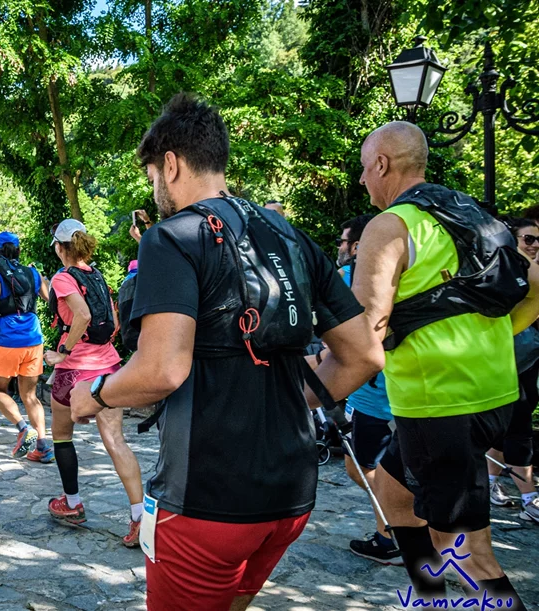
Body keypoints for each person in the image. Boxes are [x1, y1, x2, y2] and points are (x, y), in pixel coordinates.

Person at [69, 93, 383, 610]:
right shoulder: (292, 237)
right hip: (291, 494)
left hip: (205, 500)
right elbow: (364, 355)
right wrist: (290, 400)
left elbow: (162, 369)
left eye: (152, 175)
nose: (155, 187)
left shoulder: (171, 237)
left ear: (171, 165)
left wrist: (96, 393)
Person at [353, 121, 539, 603]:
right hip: (493, 392)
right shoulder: (471, 214)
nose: (362, 179)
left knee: (469, 552)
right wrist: (493, 338)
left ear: (381, 164)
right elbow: (531, 285)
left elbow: (366, 330)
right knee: (393, 494)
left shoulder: (390, 226)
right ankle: (431, 597)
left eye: (364, 168)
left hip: (439, 403)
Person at [42, 218, 145, 547]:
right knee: (116, 441)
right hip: (108, 368)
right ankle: (140, 517)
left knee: (62, 436)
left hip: (74, 371)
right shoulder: (97, 276)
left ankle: (72, 503)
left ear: (61, 248)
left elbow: (83, 315)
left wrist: (63, 352)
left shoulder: (63, 278)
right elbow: (113, 322)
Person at [326, 213, 402, 565]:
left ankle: (392, 534)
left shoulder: (348, 276)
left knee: (361, 466)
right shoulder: (402, 271)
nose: (340, 247)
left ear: (358, 246)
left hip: (371, 392)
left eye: (343, 241)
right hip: (398, 386)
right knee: (383, 465)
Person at [0, 231, 53, 462]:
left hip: (8, 340)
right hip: (33, 339)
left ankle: (24, 428)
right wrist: (42, 277)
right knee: (30, 395)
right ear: (19, 250)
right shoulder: (32, 273)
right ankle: (42, 446)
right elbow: (50, 298)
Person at [487, 217, 539, 522]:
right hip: (505, 362)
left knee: (507, 429)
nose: (534, 245)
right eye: (528, 239)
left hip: (528, 361)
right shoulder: (502, 273)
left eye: (538, 240)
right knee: (518, 429)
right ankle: (530, 498)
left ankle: (491, 482)